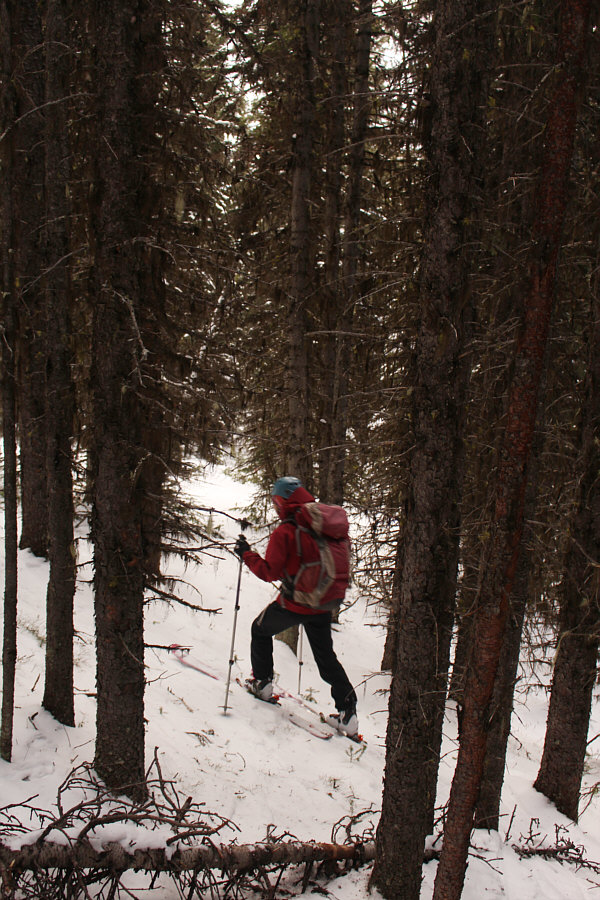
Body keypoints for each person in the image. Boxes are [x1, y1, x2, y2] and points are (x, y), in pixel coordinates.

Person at [234, 476, 359, 737]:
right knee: (326, 658)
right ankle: (348, 714)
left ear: (282, 500)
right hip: (323, 603)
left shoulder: (287, 530)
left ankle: (262, 683)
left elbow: (270, 572)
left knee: (259, 629)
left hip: (296, 602)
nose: (274, 506)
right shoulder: (322, 523)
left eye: (275, 501)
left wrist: (246, 554)